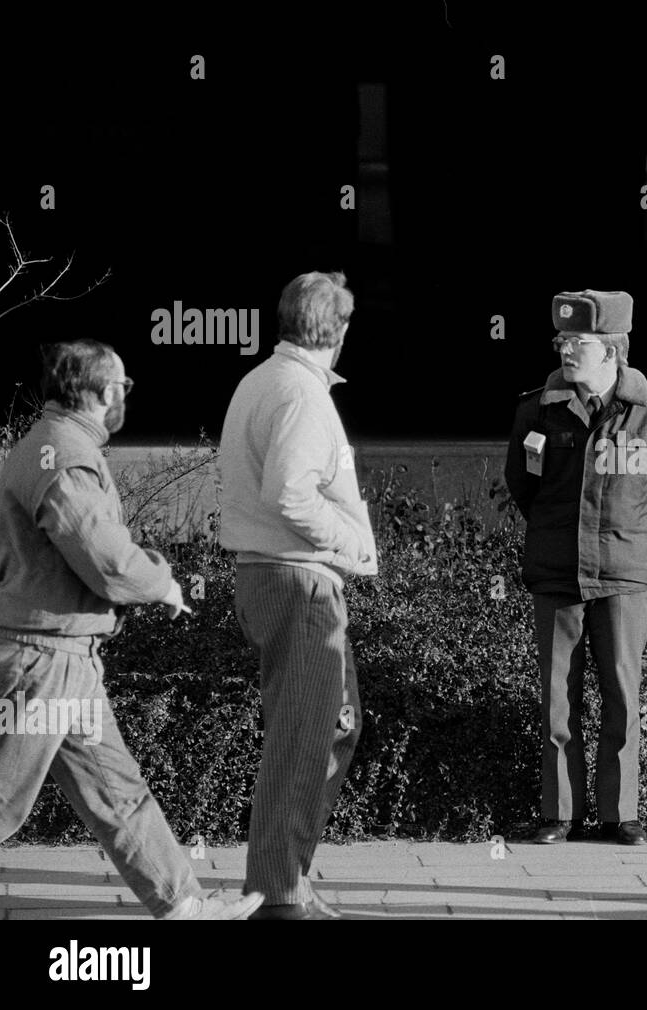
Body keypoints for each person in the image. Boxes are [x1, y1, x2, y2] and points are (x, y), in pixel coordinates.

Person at [0, 340, 263, 920]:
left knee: (118, 791)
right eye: (122, 385)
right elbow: (107, 559)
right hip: (45, 660)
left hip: (64, 655)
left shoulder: (50, 445)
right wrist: (164, 584)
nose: (126, 396)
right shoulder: (61, 456)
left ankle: (183, 904)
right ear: (98, 392)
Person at [218, 271, 377, 919]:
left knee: (330, 725)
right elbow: (291, 492)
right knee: (308, 734)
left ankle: (282, 883)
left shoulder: (266, 381)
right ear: (336, 331)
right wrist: (353, 544)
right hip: (299, 580)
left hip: (277, 577)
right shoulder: (301, 395)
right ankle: (280, 893)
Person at [505, 289, 647, 845]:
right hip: (557, 573)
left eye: (577, 341)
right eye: (561, 340)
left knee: (623, 695)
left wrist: (628, 541)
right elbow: (522, 485)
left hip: (624, 574)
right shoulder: (536, 408)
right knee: (558, 698)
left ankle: (619, 814)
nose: (565, 349)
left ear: (612, 348)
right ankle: (559, 814)